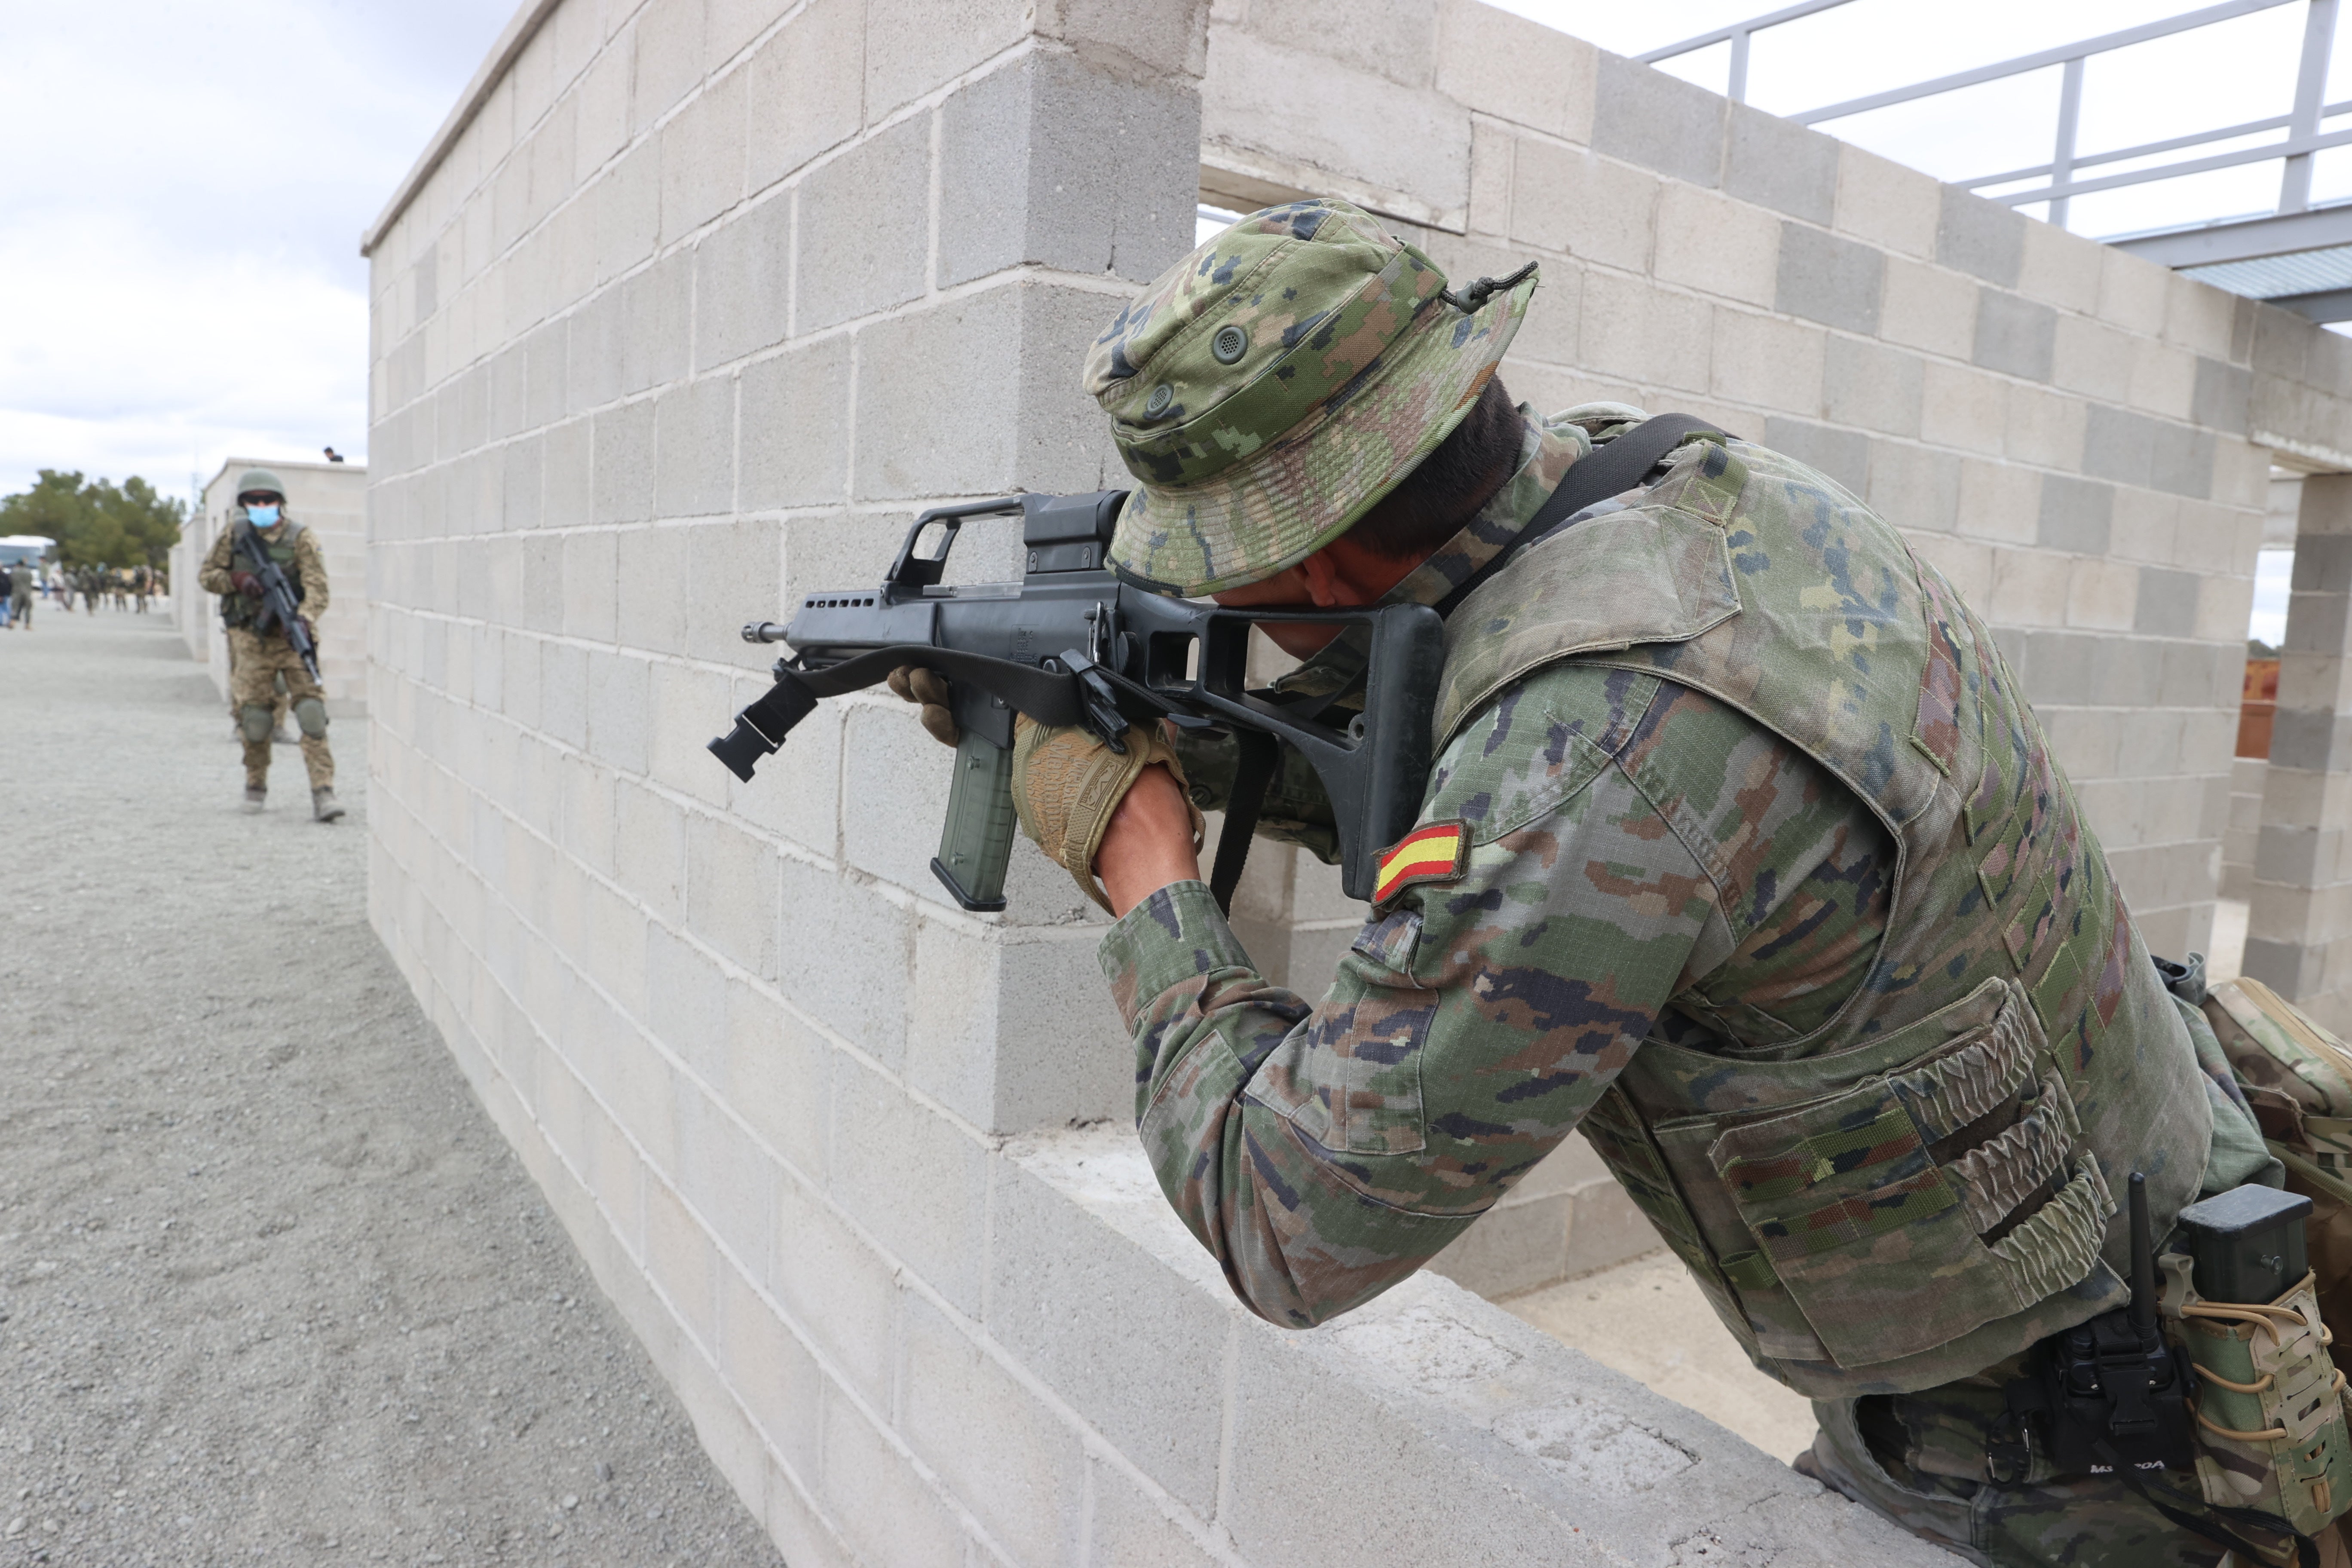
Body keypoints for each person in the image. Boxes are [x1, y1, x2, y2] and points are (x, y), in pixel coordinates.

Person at [891, 200, 2286, 1566]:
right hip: (2155, 1274)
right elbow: (1457, 749)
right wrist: (1183, 740)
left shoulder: (1595, 746)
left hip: (2078, 1467)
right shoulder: (1694, 502)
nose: (1224, 609)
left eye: (1223, 571)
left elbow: (1291, 1221)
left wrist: (1147, 867)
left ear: (1309, 546)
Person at [196, 469, 342, 821]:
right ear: (244, 505)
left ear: (281, 503)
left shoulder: (301, 538)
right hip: (251, 641)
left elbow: (318, 588)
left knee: (311, 715)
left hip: (293, 639)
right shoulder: (235, 536)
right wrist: (237, 580)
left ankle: (324, 792)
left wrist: (302, 620)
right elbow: (207, 576)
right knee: (256, 718)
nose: (262, 506)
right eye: (254, 501)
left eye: (268, 500)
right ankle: (255, 785)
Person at [10, 562, 30, 629]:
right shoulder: (28, 572)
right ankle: (27, 625)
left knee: (15, 608)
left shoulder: (14, 572)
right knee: (28, 609)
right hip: (27, 592)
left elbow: (11, 581)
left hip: (17, 592)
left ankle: (12, 622)